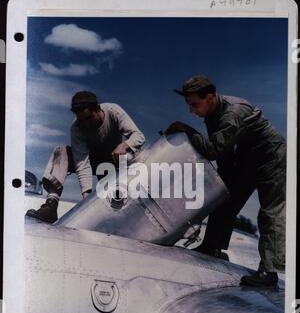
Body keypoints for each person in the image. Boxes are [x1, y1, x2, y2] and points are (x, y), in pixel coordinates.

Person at [165, 75, 286, 288]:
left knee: (271, 214)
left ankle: (270, 272)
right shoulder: (212, 114)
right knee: (223, 199)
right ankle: (212, 248)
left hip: (273, 159)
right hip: (248, 159)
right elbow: (225, 157)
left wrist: (187, 130)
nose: (191, 110)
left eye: (194, 104)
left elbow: (213, 149)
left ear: (210, 97)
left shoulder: (233, 113)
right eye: (188, 105)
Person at [26, 91, 145, 224]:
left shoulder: (114, 111)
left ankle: (129, 208)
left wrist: (125, 145)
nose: (86, 124)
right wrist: (86, 197)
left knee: (130, 154)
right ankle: (51, 205)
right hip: (91, 160)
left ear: (98, 109)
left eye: (89, 118)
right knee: (61, 151)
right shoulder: (76, 128)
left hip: (113, 163)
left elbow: (139, 136)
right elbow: (82, 164)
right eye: (81, 120)